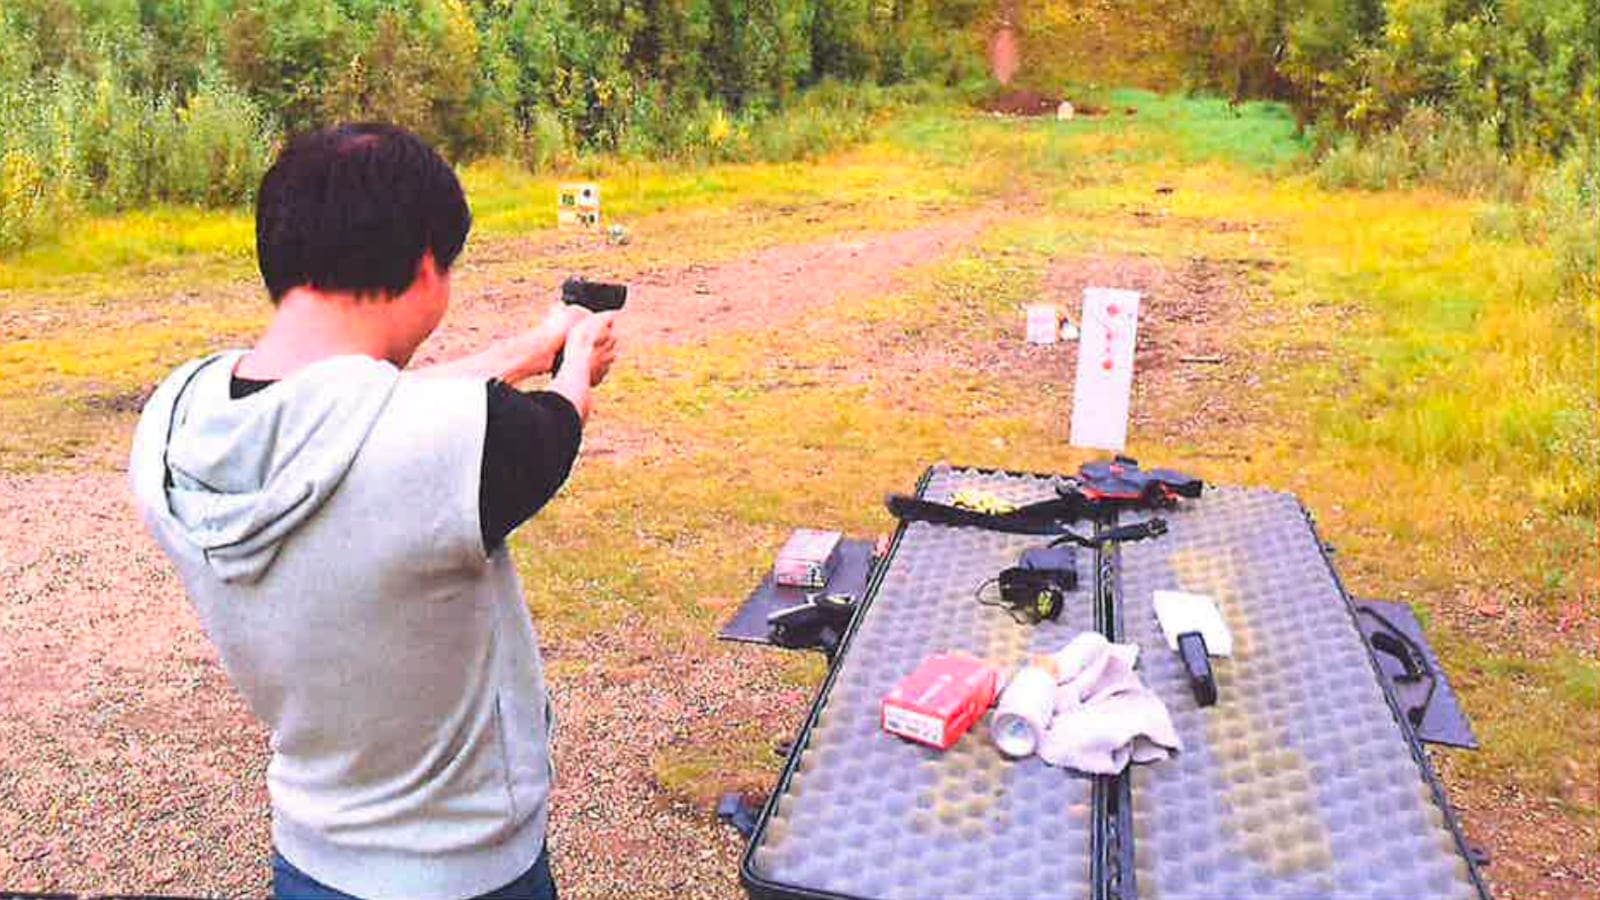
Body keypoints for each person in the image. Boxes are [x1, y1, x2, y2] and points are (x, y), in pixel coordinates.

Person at [128, 123, 617, 900]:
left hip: (310, 854)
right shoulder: (464, 445)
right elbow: (552, 427)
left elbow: (354, 407)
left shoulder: (174, 424)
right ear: (427, 261)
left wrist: (533, 344)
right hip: (471, 871)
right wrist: (577, 359)